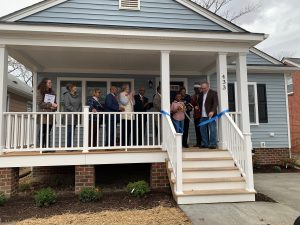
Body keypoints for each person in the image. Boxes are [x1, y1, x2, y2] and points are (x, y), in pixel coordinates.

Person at [36, 78, 57, 150]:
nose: (50, 84)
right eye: (49, 83)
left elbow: (55, 103)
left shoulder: (52, 92)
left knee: (48, 132)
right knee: (43, 132)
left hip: (50, 115)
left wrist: (55, 107)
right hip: (43, 115)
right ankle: (42, 148)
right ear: (44, 84)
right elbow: (40, 103)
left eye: (51, 83)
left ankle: (48, 148)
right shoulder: (40, 92)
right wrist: (50, 104)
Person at [198, 82, 218, 149]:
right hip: (202, 115)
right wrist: (197, 107)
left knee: (212, 129)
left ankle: (213, 144)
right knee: (202, 129)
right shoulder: (200, 94)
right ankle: (205, 143)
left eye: (204, 88)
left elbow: (215, 103)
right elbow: (200, 103)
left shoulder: (213, 93)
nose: (203, 89)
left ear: (208, 86)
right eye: (202, 88)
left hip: (211, 115)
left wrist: (212, 111)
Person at [63, 83, 82, 148]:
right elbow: (67, 105)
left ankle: (71, 146)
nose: (76, 87)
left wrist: (78, 111)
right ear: (70, 88)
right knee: (69, 132)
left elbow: (80, 105)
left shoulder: (77, 95)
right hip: (69, 116)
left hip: (75, 116)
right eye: (74, 86)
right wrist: (76, 111)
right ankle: (68, 147)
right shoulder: (67, 95)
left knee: (73, 131)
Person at [191, 83, 202, 147]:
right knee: (197, 129)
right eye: (194, 89)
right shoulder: (193, 96)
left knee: (202, 129)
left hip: (202, 115)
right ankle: (198, 142)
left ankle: (202, 142)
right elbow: (192, 104)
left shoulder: (203, 95)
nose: (195, 90)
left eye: (196, 89)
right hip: (196, 115)